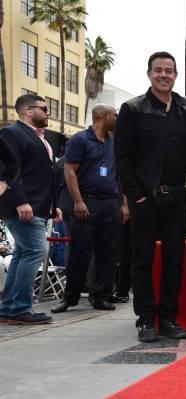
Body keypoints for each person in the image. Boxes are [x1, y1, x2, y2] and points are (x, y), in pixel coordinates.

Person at [115, 51, 186, 342]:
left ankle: (168, 318)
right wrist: (135, 196)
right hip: (145, 200)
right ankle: (145, 319)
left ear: (176, 75)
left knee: (174, 261)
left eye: (169, 71)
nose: (164, 75)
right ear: (149, 73)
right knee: (141, 261)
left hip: (177, 198)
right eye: (158, 70)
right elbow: (122, 156)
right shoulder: (133, 108)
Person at [52, 105, 127, 313]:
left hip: (110, 202)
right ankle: (70, 297)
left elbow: (120, 177)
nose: (117, 118)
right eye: (114, 114)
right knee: (80, 251)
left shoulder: (114, 143)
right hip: (87, 201)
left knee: (108, 251)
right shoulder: (80, 140)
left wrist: (124, 204)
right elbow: (69, 171)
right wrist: (78, 201)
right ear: (102, 116)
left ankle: (100, 295)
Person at [0, 94, 62, 324]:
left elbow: (45, 176)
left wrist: (53, 206)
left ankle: (8, 308)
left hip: (38, 206)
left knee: (23, 253)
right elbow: (9, 169)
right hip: (23, 205)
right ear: (28, 110)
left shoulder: (43, 138)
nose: (48, 113)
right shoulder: (11, 133)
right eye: (44, 109)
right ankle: (19, 309)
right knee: (35, 252)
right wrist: (19, 200)